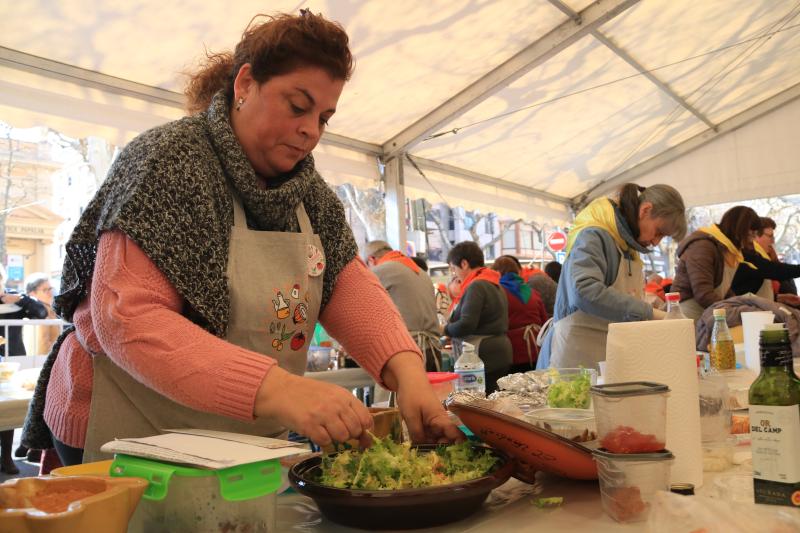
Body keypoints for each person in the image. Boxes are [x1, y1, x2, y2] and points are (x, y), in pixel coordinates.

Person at [22, 11, 461, 467]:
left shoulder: (308, 192)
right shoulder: (168, 160)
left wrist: (408, 374)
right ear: (246, 84)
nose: (311, 130)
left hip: (241, 441)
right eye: (298, 106)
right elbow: (128, 317)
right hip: (129, 427)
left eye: (324, 117)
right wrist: (282, 390)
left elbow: (346, 284)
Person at [538, 183, 687, 370]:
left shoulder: (627, 244)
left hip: (606, 351)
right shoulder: (593, 234)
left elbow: (622, 295)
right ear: (645, 210)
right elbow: (584, 291)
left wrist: (651, 306)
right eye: (659, 232)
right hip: (574, 351)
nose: (656, 242)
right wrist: (648, 312)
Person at [444, 241, 512, 393]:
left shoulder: (477, 286)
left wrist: (445, 329)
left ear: (464, 264)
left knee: (480, 402)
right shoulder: (494, 283)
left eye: (454, 268)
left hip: (482, 355)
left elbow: (466, 324)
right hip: (499, 352)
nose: (454, 274)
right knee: (493, 399)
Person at [672, 206, 761, 320]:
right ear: (739, 229)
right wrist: (734, 310)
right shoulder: (703, 247)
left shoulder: (729, 250)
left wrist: (738, 304)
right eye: (751, 233)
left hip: (709, 313)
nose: (753, 238)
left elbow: (723, 289)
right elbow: (703, 293)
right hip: (688, 315)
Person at [364, 241, 441, 371]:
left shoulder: (378, 271)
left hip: (408, 353)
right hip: (433, 350)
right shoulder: (419, 271)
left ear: (371, 259)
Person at [0, 264, 48, 474]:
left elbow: (41, 313)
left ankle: (7, 456)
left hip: (14, 358)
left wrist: (21, 299)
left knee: (10, 404)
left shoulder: (14, 299)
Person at [492, 256, 547, 372]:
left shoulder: (498, 293)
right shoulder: (533, 292)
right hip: (536, 348)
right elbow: (544, 321)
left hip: (513, 351)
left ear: (497, 272)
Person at [730, 217, 800, 305]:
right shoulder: (748, 258)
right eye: (770, 236)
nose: (773, 241)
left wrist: (779, 298)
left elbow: (753, 294)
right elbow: (778, 270)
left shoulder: (759, 257)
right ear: (755, 237)